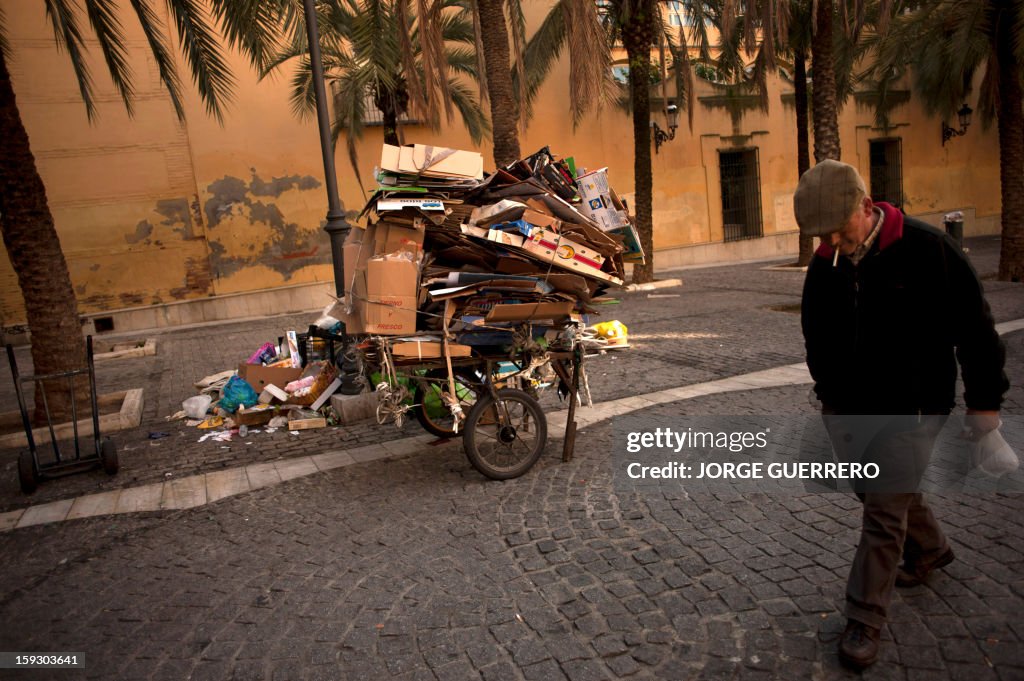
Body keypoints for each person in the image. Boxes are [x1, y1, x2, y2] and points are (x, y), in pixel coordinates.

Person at [794, 160, 1008, 669]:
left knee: (883, 514)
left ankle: (864, 618)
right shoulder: (826, 263)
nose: (834, 244)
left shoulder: (929, 249)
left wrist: (984, 408)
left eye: (840, 231)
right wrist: (828, 396)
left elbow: (978, 334)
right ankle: (932, 547)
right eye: (823, 236)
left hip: (914, 408)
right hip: (847, 408)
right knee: (873, 491)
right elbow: (815, 333)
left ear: (867, 208)